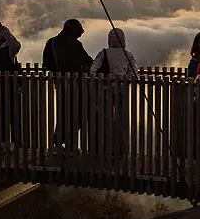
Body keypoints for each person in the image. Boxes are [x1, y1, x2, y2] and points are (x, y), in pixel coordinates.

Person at [43, 19, 93, 148]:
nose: (81, 34)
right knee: (78, 114)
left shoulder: (51, 42)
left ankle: (59, 143)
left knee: (63, 113)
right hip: (77, 85)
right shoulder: (75, 45)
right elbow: (87, 61)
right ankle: (66, 143)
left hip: (60, 84)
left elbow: (46, 63)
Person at [91, 28, 136, 154]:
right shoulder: (128, 54)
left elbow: (93, 71)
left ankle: (105, 148)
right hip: (122, 90)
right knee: (122, 119)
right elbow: (134, 74)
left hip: (105, 90)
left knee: (106, 119)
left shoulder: (103, 53)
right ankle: (121, 149)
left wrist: (104, 80)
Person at [0, 23, 22, 147]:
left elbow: (16, 45)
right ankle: (2, 141)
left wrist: (7, 32)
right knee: (0, 113)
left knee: (13, 112)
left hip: (11, 84)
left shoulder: (9, 48)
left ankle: (14, 141)